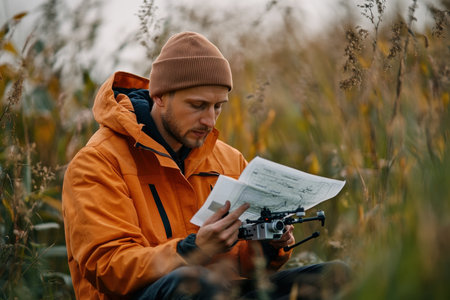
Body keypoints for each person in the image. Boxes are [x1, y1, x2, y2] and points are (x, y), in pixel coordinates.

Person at [62, 31, 349, 300]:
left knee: (336, 276)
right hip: (154, 294)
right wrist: (194, 249)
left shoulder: (229, 159)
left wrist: (268, 242)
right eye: (198, 106)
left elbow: (245, 267)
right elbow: (108, 268)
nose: (210, 121)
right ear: (159, 96)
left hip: (222, 291)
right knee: (193, 282)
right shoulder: (97, 163)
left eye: (218, 107)